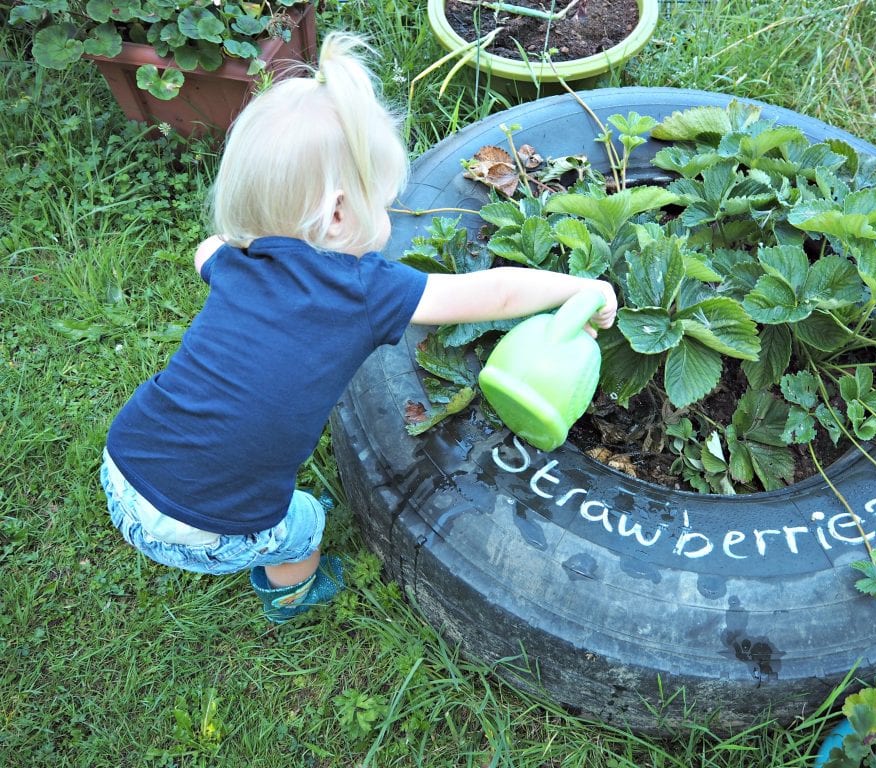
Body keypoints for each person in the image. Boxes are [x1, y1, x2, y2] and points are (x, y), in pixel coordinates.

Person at [99, 30, 617, 624]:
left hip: (125, 463)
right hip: (204, 529)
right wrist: (581, 288)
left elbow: (205, 249)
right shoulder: (364, 291)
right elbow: (493, 292)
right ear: (341, 212)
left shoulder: (234, 262)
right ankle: (293, 592)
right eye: (387, 206)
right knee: (303, 523)